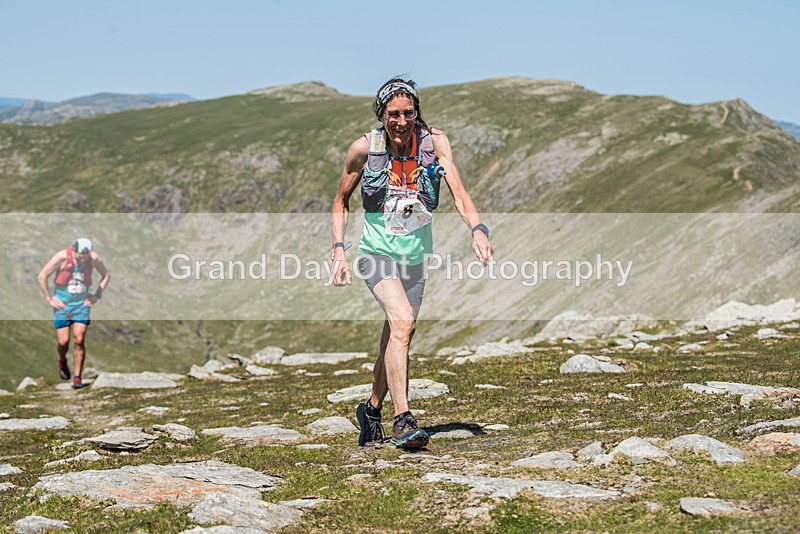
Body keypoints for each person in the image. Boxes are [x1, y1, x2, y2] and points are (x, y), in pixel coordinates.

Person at [331, 78, 493, 449]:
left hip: (415, 259)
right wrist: (339, 249)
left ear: (416, 112)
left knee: (398, 333)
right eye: (393, 115)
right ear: (381, 115)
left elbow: (460, 193)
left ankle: (371, 410)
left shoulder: (435, 143)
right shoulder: (363, 148)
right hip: (375, 254)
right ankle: (403, 419)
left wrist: (478, 229)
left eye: (408, 113)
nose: (401, 121)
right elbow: (340, 200)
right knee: (402, 322)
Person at [37, 238, 110, 389]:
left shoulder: (93, 258)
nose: (84, 258)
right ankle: (62, 360)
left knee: (79, 338)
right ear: (74, 250)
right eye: (81, 255)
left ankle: (77, 378)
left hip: (81, 306)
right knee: (63, 341)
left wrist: (96, 295)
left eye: (86, 255)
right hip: (62, 306)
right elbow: (42, 276)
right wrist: (49, 299)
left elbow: (106, 274)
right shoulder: (61, 257)